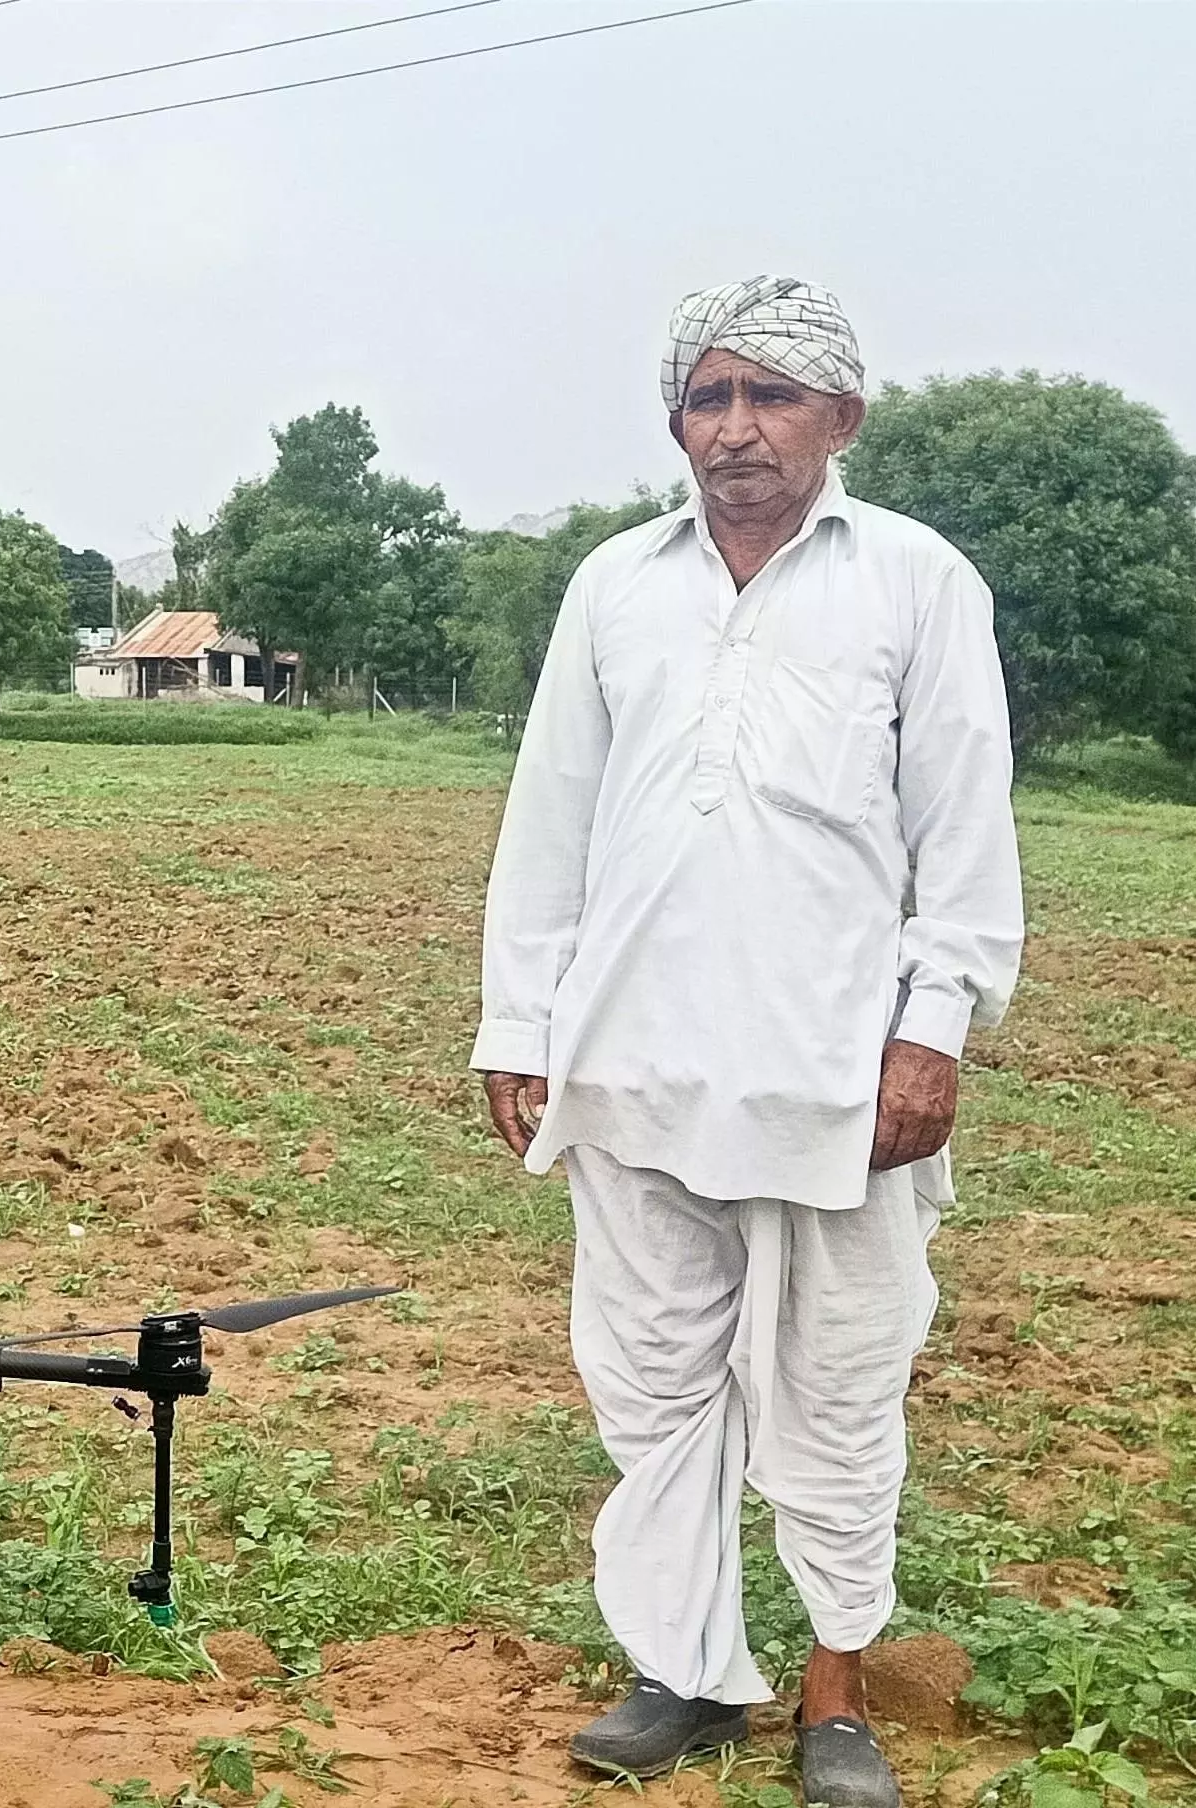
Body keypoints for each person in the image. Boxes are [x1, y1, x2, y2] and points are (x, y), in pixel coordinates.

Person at [472, 277, 1021, 1808]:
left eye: (772, 396)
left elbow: (963, 829)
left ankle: (835, 1698)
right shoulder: (615, 584)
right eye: (709, 399)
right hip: (633, 1060)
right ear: (676, 424)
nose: (737, 429)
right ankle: (688, 1674)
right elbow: (551, 819)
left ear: (839, 418)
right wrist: (520, 1023)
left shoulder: (915, 580)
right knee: (650, 1383)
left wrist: (936, 1031)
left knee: (840, 1384)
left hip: (835, 1075)